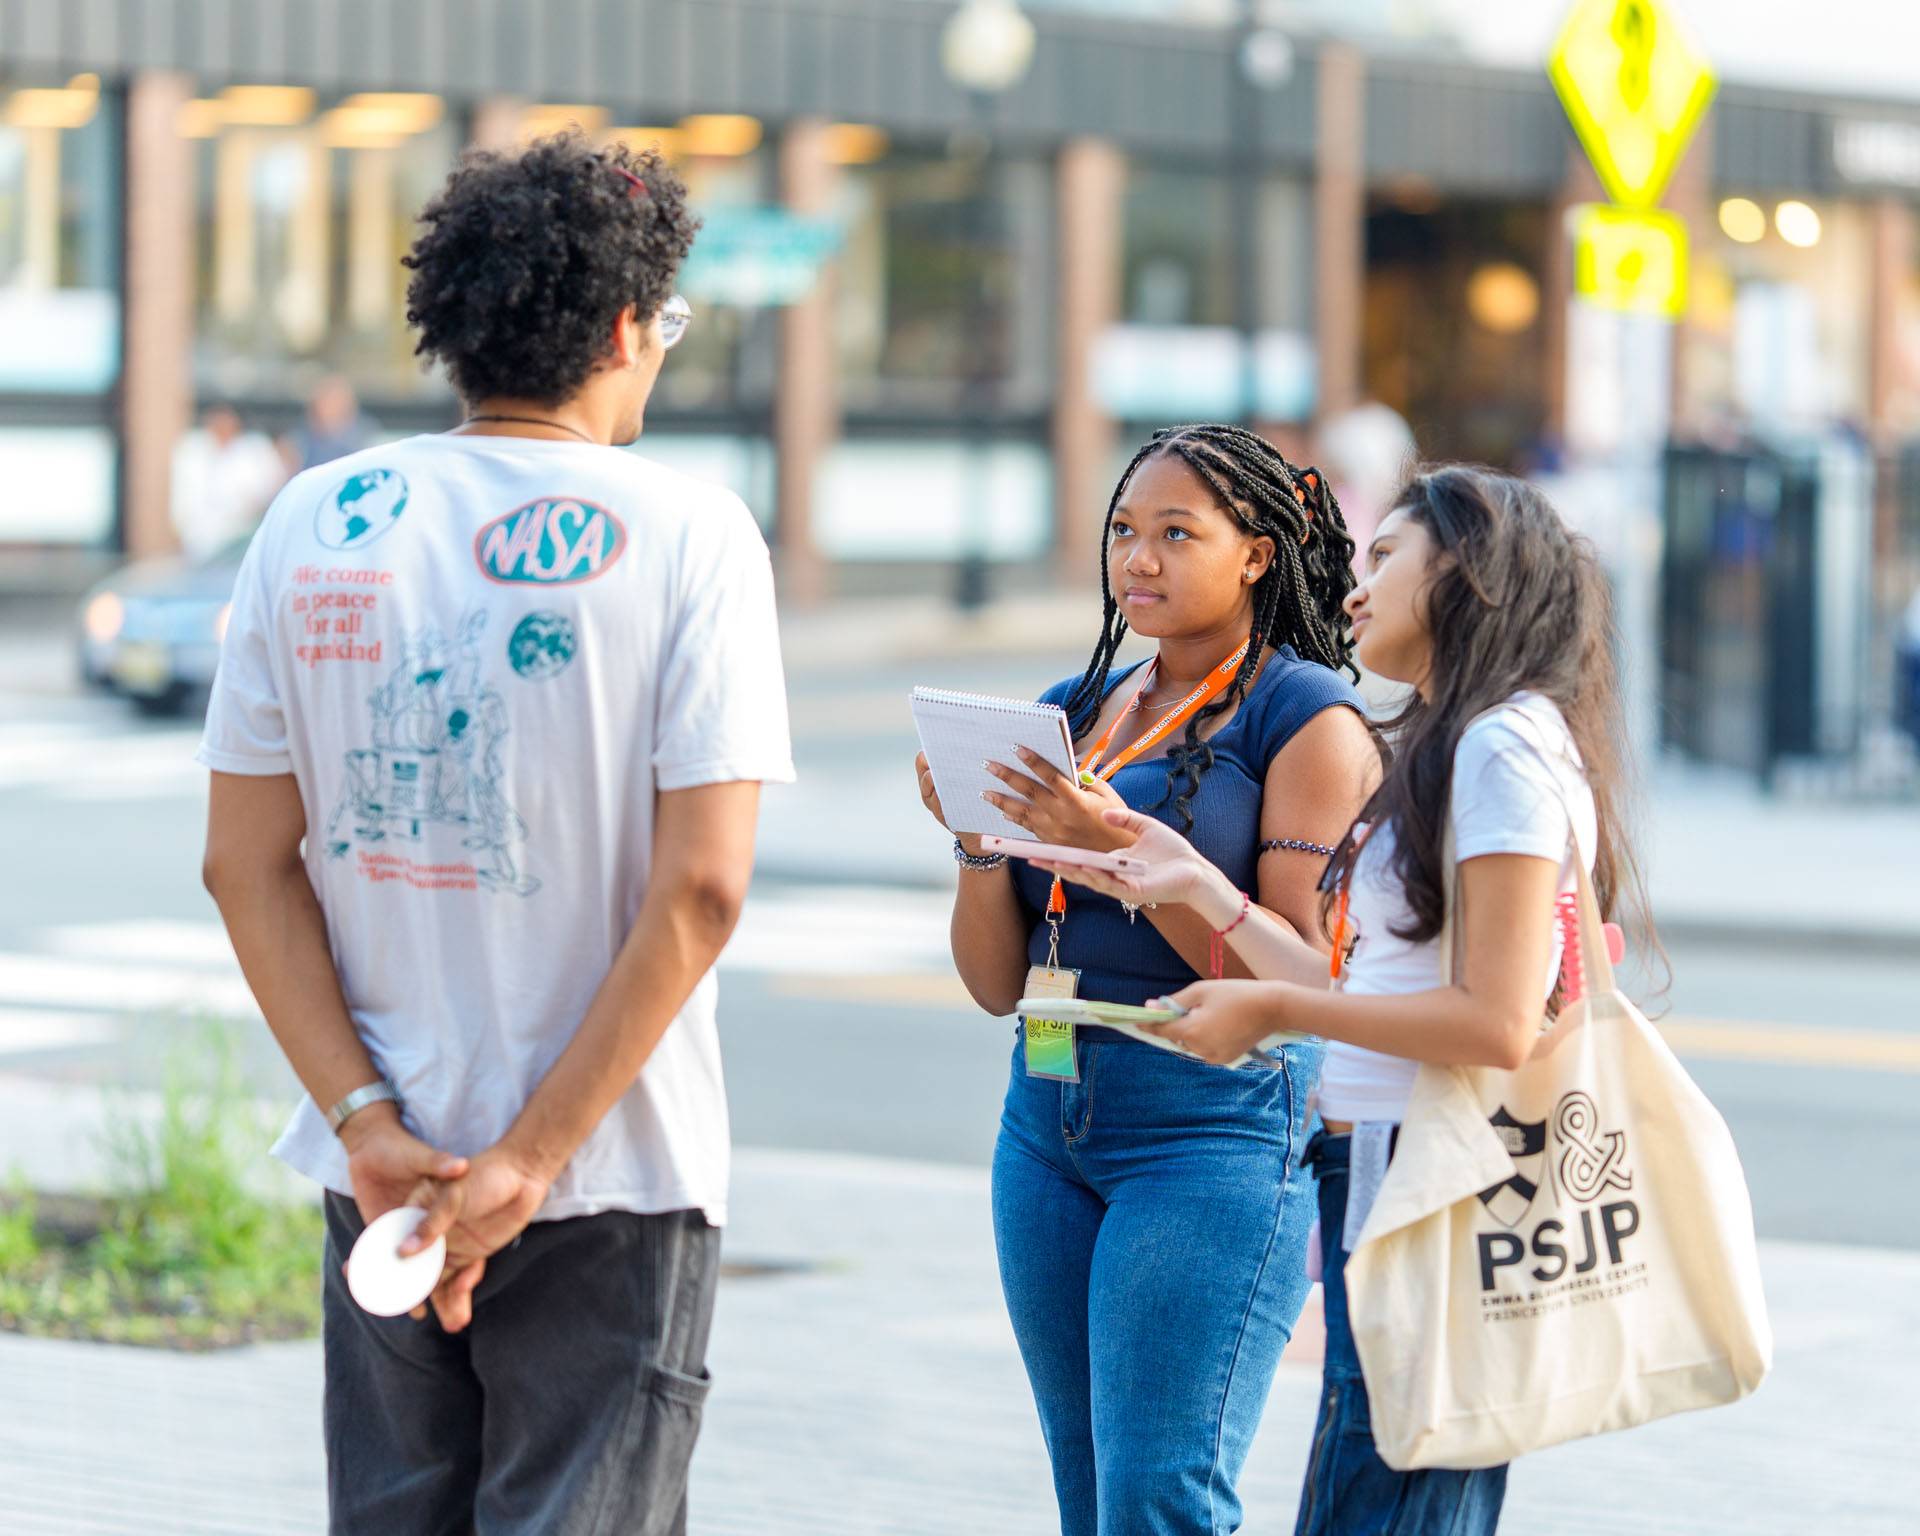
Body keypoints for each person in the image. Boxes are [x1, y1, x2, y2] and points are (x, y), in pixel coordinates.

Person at [197, 134, 794, 1536]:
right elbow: (701, 891)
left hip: (390, 1176)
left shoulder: (315, 520)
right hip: (617, 1168)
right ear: (621, 328)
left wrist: (368, 1122)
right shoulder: (692, 532)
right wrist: (532, 1159)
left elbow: (243, 865)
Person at [1037, 464, 1644, 1536]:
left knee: (1383, 1502)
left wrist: (1274, 1016)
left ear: (1461, 573)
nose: (1354, 591)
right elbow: (1373, 979)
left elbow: (1494, 1023)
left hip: (1434, 1178)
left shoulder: (1500, 746)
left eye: (1384, 559)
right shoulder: (1475, 742)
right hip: (1391, 1172)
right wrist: (1196, 886)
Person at [914, 423, 1379, 1535]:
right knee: (1087, 1488)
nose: (1142, 559)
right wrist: (982, 842)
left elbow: (1301, 978)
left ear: (1258, 553)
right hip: (1046, 1117)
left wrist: (1117, 850)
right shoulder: (1074, 708)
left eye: (1179, 533)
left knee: (1157, 1493)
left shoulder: (1305, 718)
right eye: (1126, 531)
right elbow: (993, 984)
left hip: (1210, 1130)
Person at [170, 402, 286, 560]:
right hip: (200, 545)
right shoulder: (193, 450)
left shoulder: (253, 451)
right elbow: (184, 501)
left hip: (242, 543)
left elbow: (273, 489)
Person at [283, 374, 378, 473]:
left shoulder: (366, 439)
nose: (328, 408)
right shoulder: (299, 439)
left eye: (335, 400)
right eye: (325, 400)